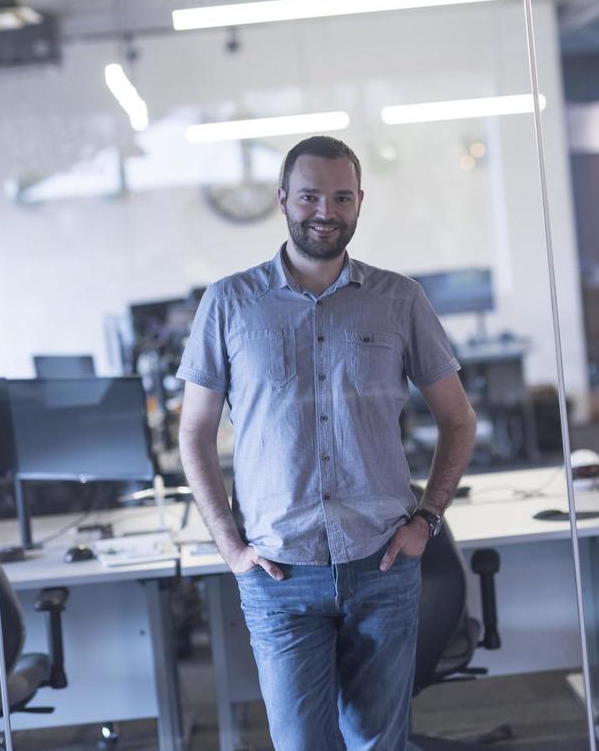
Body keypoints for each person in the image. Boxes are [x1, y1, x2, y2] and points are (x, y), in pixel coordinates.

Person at [178, 135, 476, 751]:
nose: (325, 211)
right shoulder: (230, 302)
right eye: (310, 195)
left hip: (383, 565)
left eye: (342, 197)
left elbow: (459, 419)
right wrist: (231, 548)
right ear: (283, 199)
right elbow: (194, 433)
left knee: (377, 743)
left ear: (360, 202)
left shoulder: (400, 299)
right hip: (279, 572)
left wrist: (427, 519)